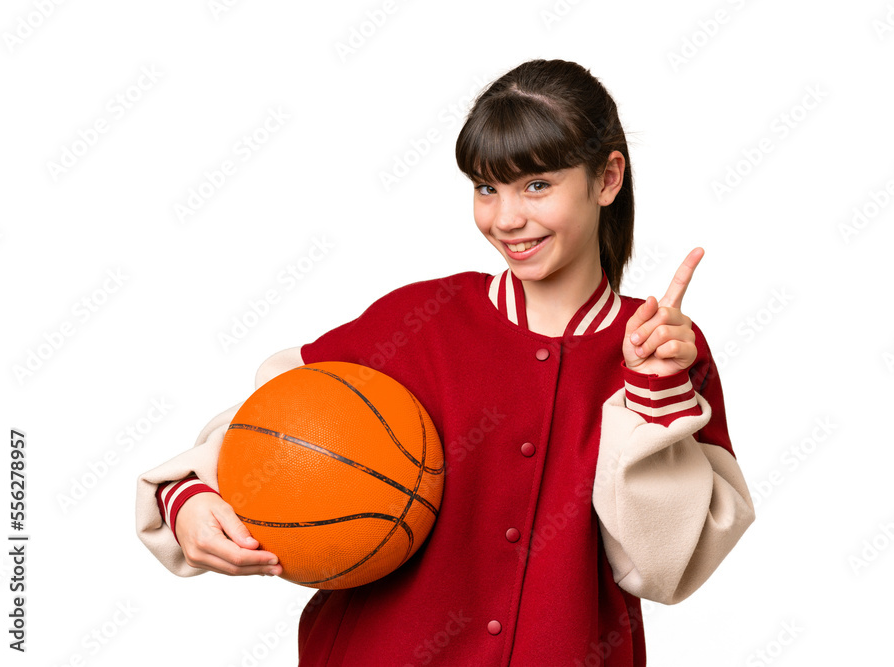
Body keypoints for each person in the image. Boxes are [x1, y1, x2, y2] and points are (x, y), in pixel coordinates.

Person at [135, 58, 756, 666]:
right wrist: (190, 496)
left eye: (537, 184)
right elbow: (278, 428)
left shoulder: (667, 351)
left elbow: (662, 568)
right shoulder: (422, 318)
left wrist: (652, 392)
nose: (506, 218)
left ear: (607, 178)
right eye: (488, 188)